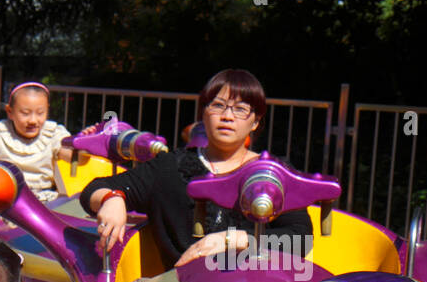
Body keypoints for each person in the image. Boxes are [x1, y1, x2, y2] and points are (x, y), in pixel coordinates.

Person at [80, 68, 314, 270]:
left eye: (240, 109)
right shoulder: (170, 167)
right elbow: (96, 188)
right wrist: (112, 199)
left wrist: (231, 240)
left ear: (255, 122)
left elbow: (300, 240)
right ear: (203, 113)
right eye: (218, 106)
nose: (227, 116)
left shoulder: (273, 173)